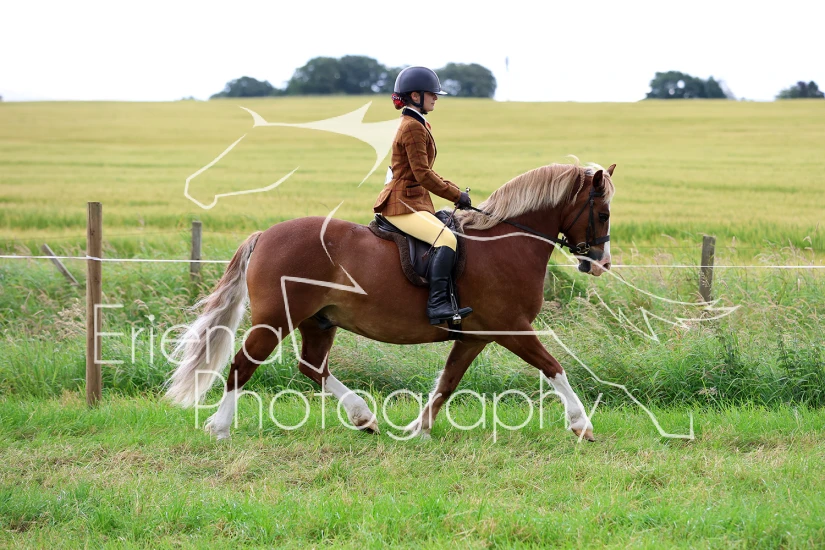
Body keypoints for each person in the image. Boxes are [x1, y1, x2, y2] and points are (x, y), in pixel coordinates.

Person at [373, 66, 473, 325]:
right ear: (415, 96)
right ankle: (437, 304)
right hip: (401, 204)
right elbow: (423, 175)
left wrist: (455, 191)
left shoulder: (417, 123)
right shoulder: (412, 127)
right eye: (432, 93)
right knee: (446, 239)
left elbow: (425, 171)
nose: (436, 97)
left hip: (412, 201)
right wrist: (455, 195)